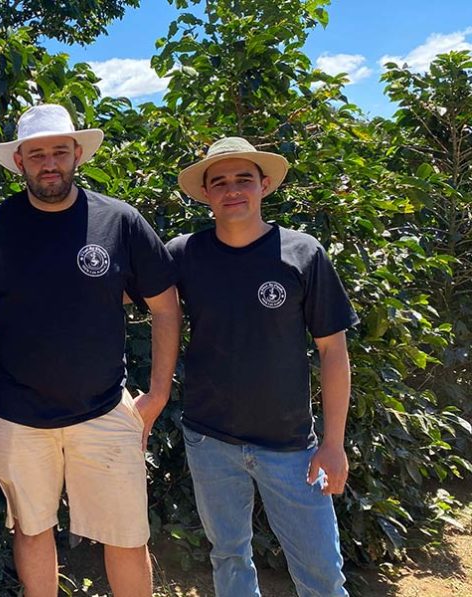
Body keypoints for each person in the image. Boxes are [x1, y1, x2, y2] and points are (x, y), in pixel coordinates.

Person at [0, 104, 181, 597]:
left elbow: (166, 306)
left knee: (128, 537)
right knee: (31, 528)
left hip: (104, 410)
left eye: (59, 152)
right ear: (19, 160)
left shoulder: (119, 220)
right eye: (37, 153)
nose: (49, 163)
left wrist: (157, 395)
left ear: (77, 154)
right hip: (18, 416)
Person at [168, 137, 358, 596]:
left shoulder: (303, 253)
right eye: (221, 182)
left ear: (264, 185)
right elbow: (125, 295)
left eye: (243, 180)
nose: (233, 190)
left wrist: (333, 444)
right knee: (229, 556)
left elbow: (333, 352)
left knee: (321, 573)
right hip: (209, 439)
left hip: (292, 448)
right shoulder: (183, 254)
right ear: (206, 194)